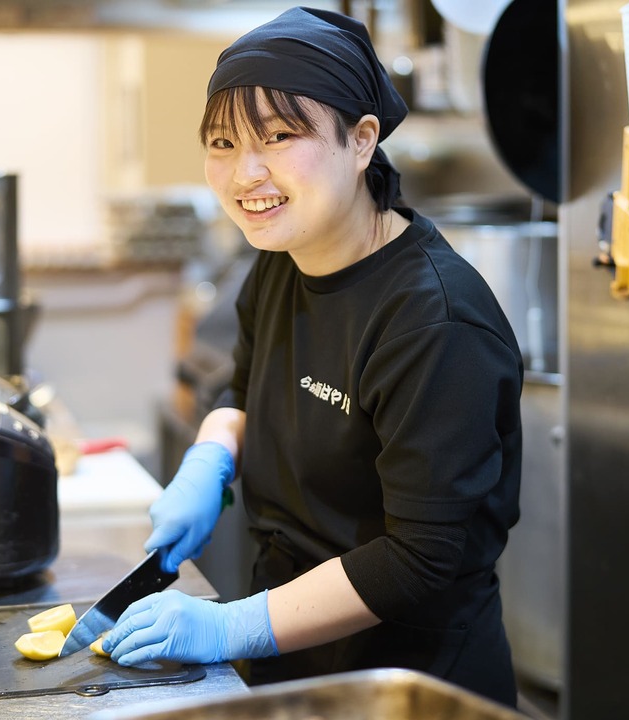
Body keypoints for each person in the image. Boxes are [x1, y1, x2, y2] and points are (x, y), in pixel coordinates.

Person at [97, 6, 524, 707]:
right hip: (292, 667)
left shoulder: (434, 322)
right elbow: (243, 386)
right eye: (223, 142)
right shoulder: (281, 260)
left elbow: (419, 559)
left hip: (406, 683)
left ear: (361, 142)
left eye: (279, 136)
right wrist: (210, 459)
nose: (246, 173)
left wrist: (232, 625)